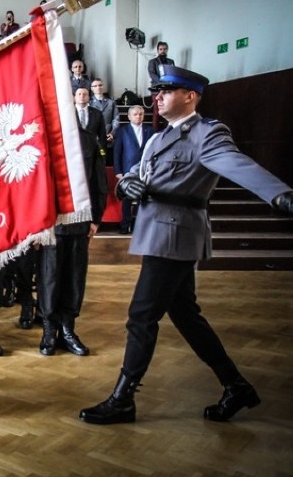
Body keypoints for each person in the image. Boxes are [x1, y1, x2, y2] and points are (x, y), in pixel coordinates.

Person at [79, 66, 293, 425]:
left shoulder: (208, 134)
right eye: (155, 92)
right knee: (186, 317)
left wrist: (282, 196)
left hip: (175, 235)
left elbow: (239, 165)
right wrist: (124, 186)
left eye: (165, 91)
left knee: (141, 316)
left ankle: (123, 399)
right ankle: (236, 386)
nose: (156, 98)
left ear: (190, 96)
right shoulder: (159, 138)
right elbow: (137, 174)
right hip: (158, 233)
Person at [36, 119, 108, 356]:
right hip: (51, 224)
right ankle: (48, 331)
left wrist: (96, 218)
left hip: (79, 220)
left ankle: (68, 329)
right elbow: (33, 184)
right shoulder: (43, 138)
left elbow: (98, 181)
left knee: (74, 277)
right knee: (49, 278)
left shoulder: (88, 139)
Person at [113, 106, 153, 234]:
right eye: (135, 114)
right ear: (129, 116)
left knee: (144, 199)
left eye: (141, 114)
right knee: (127, 200)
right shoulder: (122, 131)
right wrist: (118, 171)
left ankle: (141, 227)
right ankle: (125, 225)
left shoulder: (150, 130)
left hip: (145, 170)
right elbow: (117, 152)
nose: (138, 116)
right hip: (127, 170)